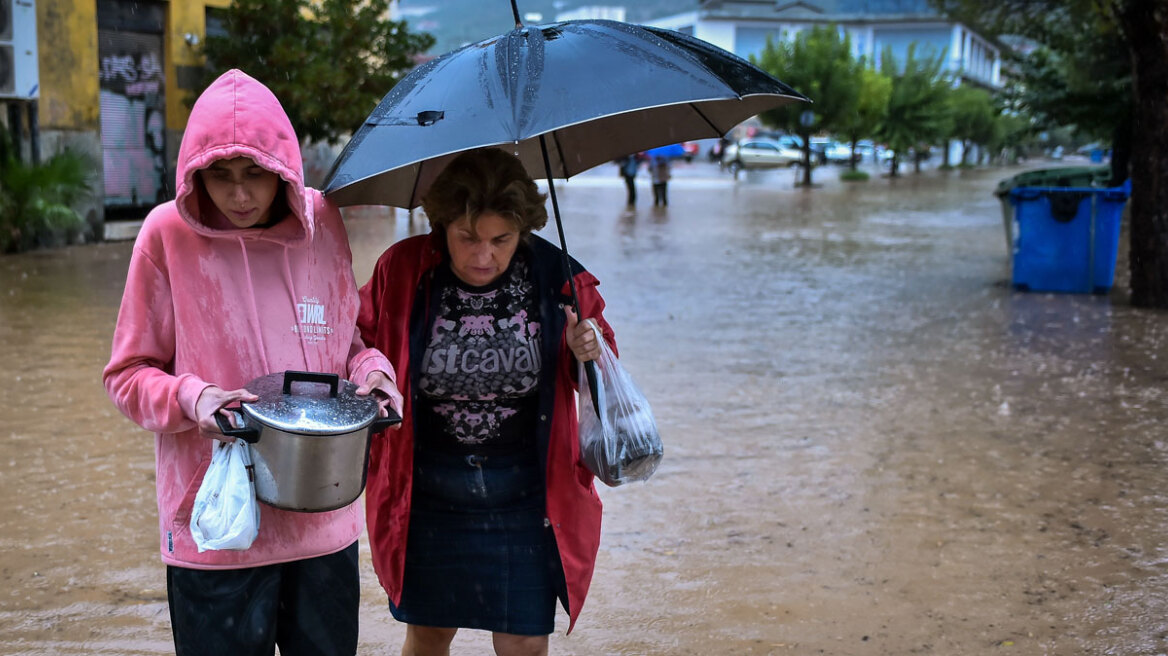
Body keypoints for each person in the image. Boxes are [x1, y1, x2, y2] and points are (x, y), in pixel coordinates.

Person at [102, 68, 403, 656]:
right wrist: (194, 398)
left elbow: (345, 346)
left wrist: (373, 374)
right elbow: (127, 376)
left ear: (284, 171)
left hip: (323, 521)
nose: (240, 196)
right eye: (220, 176)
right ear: (196, 174)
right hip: (216, 526)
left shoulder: (323, 223)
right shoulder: (165, 235)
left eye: (256, 176)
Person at [357, 147, 616, 656]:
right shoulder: (402, 270)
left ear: (524, 230)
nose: (483, 256)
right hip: (427, 496)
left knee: (523, 641)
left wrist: (584, 347)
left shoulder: (555, 274)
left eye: (501, 240)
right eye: (467, 238)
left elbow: (603, 367)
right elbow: (357, 347)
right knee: (429, 637)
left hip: (526, 498)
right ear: (442, 225)